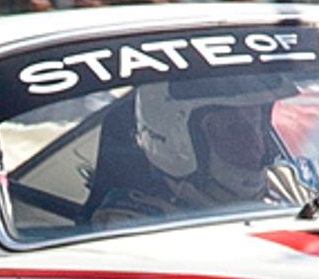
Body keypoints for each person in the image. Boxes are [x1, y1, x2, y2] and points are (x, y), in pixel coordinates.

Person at [91, 75, 294, 226]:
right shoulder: (135, 224)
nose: (254, 144)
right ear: (178, 140)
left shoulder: (290, 185)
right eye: (233, 129)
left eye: (257, 124)